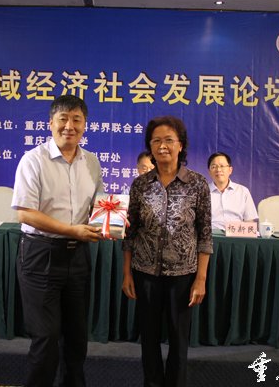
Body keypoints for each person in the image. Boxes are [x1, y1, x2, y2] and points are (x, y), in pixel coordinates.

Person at [11, 95, 104, 387]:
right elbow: (25, 213)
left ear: (85, 125)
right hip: (41, 255)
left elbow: (99, 206)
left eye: (77, 120)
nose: (69, 126)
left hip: (78, 258)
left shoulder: (92, 162)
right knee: (46, 338)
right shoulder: (33, 160)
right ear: (50, 123)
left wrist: (110, 224)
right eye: (63, 119)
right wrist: (72, 230)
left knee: (76, 339)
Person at [122, 116, 213, 387]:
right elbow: (130, 232)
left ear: (180, 145)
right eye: (156, 141)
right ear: (150, 147)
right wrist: (127, 273)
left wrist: (201, 279)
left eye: (169, 140)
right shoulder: (140, 185)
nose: (163, 146)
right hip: (145, 273)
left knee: (178, 339)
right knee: (148, 339)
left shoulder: (197, 184)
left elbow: (205, 235)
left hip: (182, 275)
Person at [207, 152, 258, 230]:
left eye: (222, 166)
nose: (218, 170)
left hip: (236, 235)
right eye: (214, 166)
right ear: (209, 171)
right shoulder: (202, 191)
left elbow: (249, 222)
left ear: (230, 170)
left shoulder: (243, 191)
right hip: (210, 235)